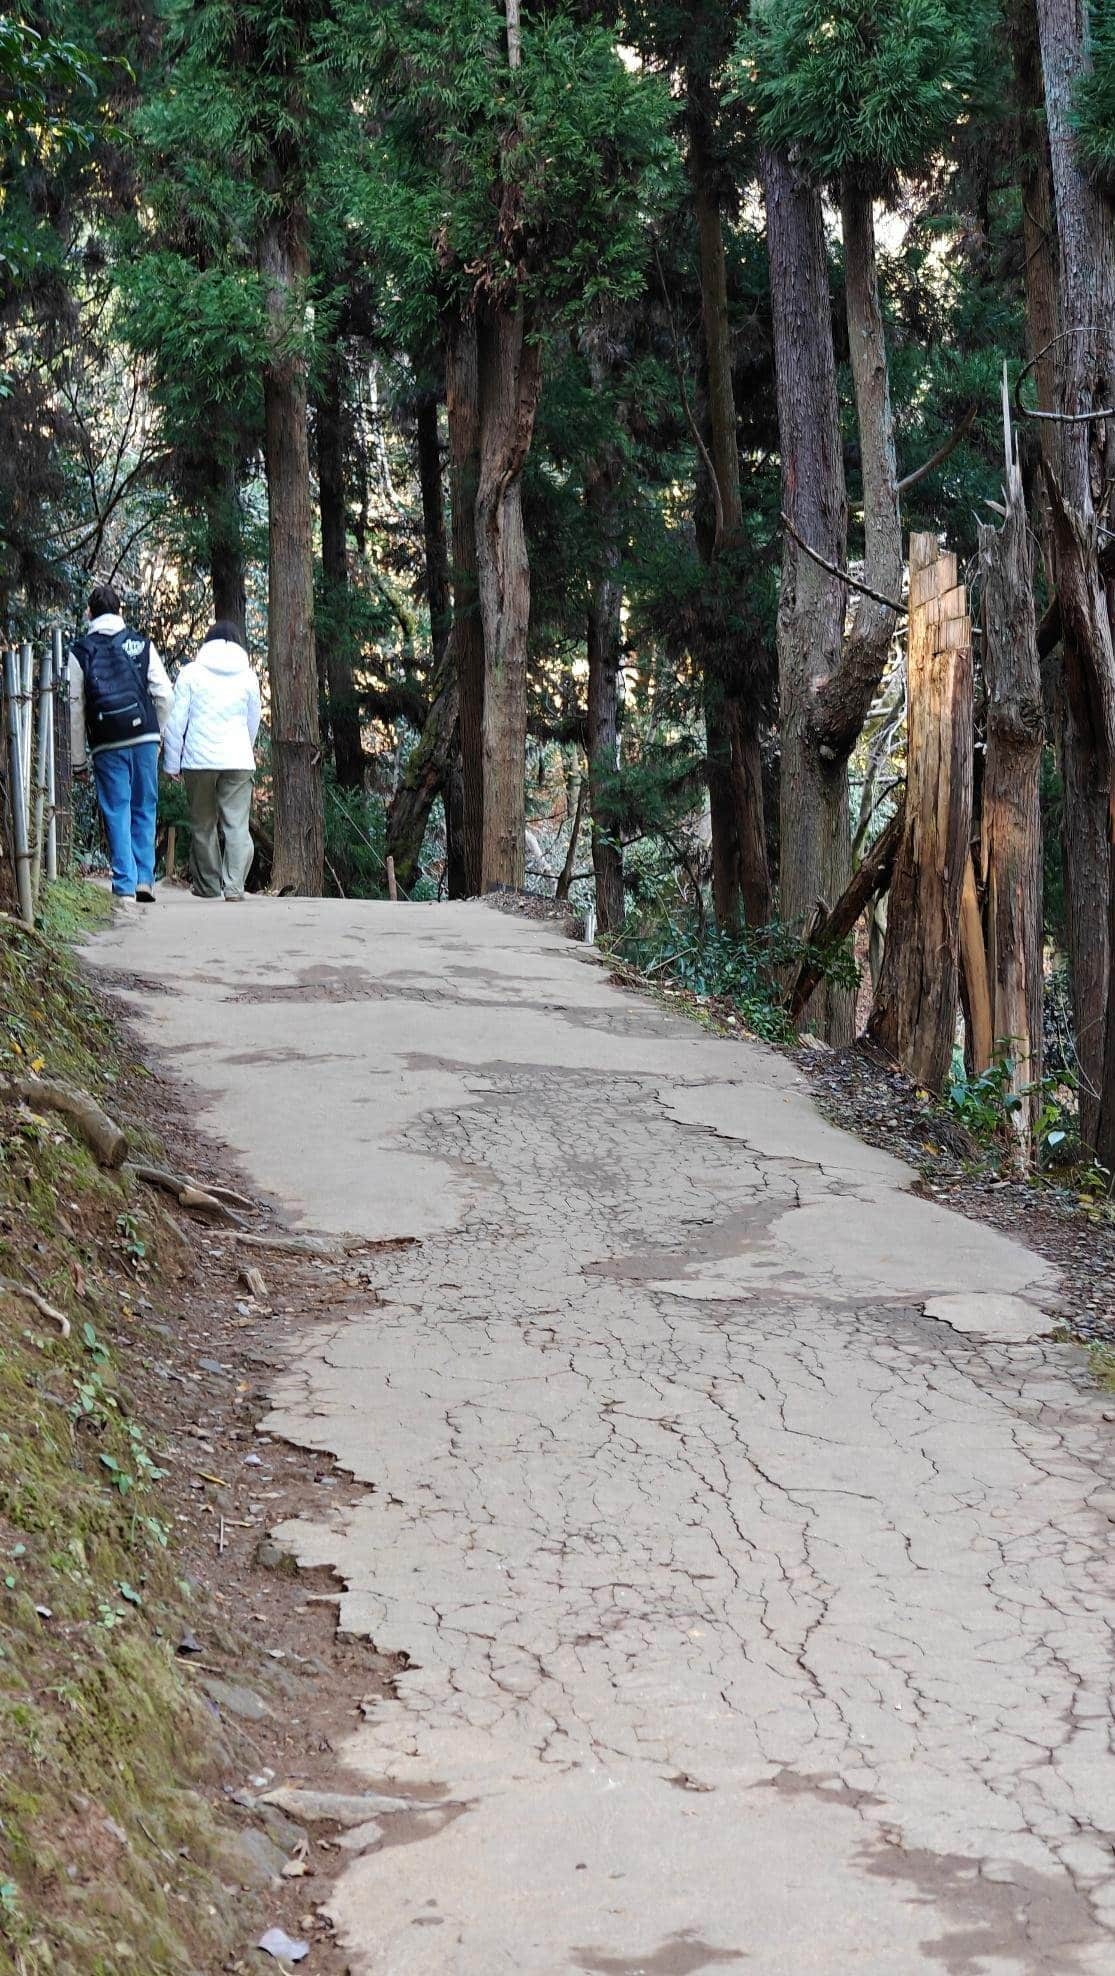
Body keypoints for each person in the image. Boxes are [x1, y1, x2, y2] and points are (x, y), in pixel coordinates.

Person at [69, 583, 173, 908]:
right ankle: (145, 879)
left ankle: (125, 884)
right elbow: (165, 694)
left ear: (90, 613)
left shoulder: (80, 651)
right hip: (143, 738)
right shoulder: (141, 644)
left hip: (106, 741)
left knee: (117, 809)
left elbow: (75, 707)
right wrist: (160, 735)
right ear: (120, 611)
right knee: (144, 806)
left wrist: (77, 761)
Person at [161, 619, 261, 901]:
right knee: (237, 825)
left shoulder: (191, 673)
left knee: (203, 824)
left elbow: (176, 720)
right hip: (239, 759)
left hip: (199, 760)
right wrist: (246, 748)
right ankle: (234, 887)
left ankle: (207, 887)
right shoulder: (248, 677)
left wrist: (171, 763)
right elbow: (253, 720)